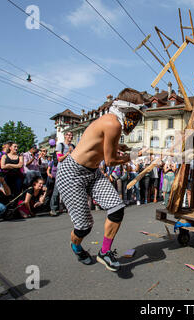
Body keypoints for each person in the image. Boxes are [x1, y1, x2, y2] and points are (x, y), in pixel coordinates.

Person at [55, 89, 145, 270]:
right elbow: (111, 161)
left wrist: (119, 146)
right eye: (135, 115)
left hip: (92, 172)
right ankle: (76, 246)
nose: (136, 121)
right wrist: (133, 156)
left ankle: (104, 253)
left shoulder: (112, 122)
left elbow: (98, 143)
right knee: (84, 227)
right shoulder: (113, 124)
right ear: (127, 109)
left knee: (117, 208)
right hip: (72, 173)